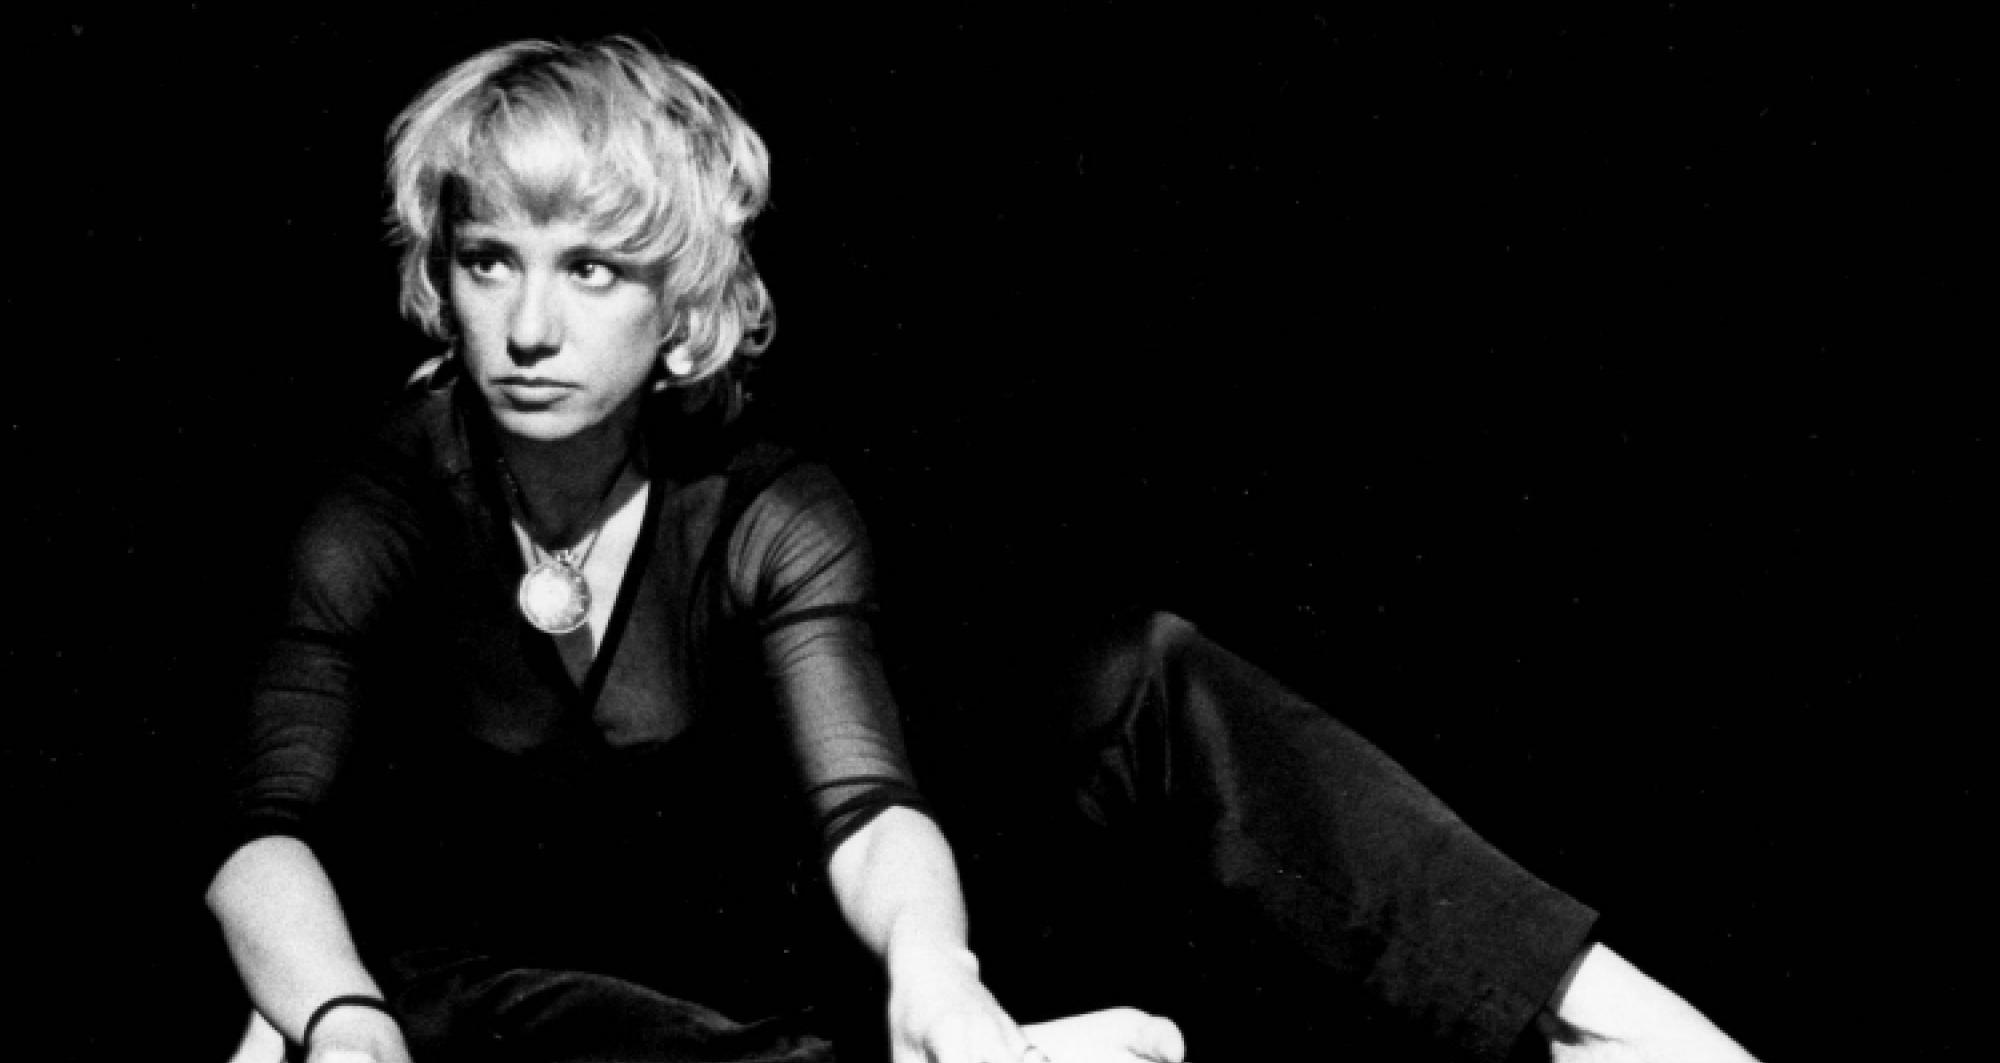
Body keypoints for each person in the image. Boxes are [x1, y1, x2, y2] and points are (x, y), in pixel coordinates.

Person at [207, 37, 1760, 1063]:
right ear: (443, 278)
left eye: (592, 269)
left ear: (679, 311)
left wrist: (938, 971)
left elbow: (865, 807)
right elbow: (266, 826)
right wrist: (335, 1017)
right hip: (518, 998)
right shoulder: (379, 506)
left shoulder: (767, 505)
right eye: (490, 261)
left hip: (774, 944)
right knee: (482, 1004)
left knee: (1143, 673)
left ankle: (1602, 1021)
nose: (531, 324)